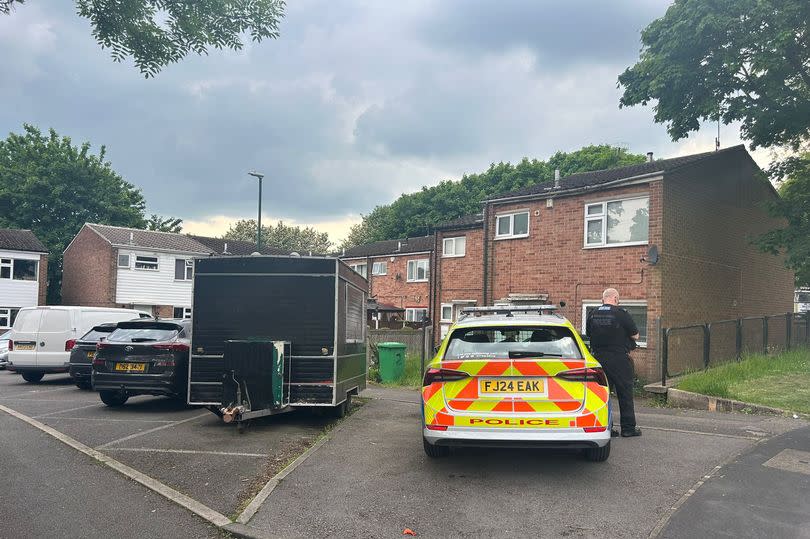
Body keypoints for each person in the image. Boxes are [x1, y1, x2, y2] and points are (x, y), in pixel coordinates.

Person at [586, 288, 642, 437]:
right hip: (618, 359)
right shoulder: (621, 314)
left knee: (602, 395)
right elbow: (635, 335)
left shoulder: (592, 314)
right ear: (616, 299)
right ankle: (628, 429)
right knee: (625, 393)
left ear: (603, 299)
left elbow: (589, 333)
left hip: (598, 359)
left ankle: (607, 428)